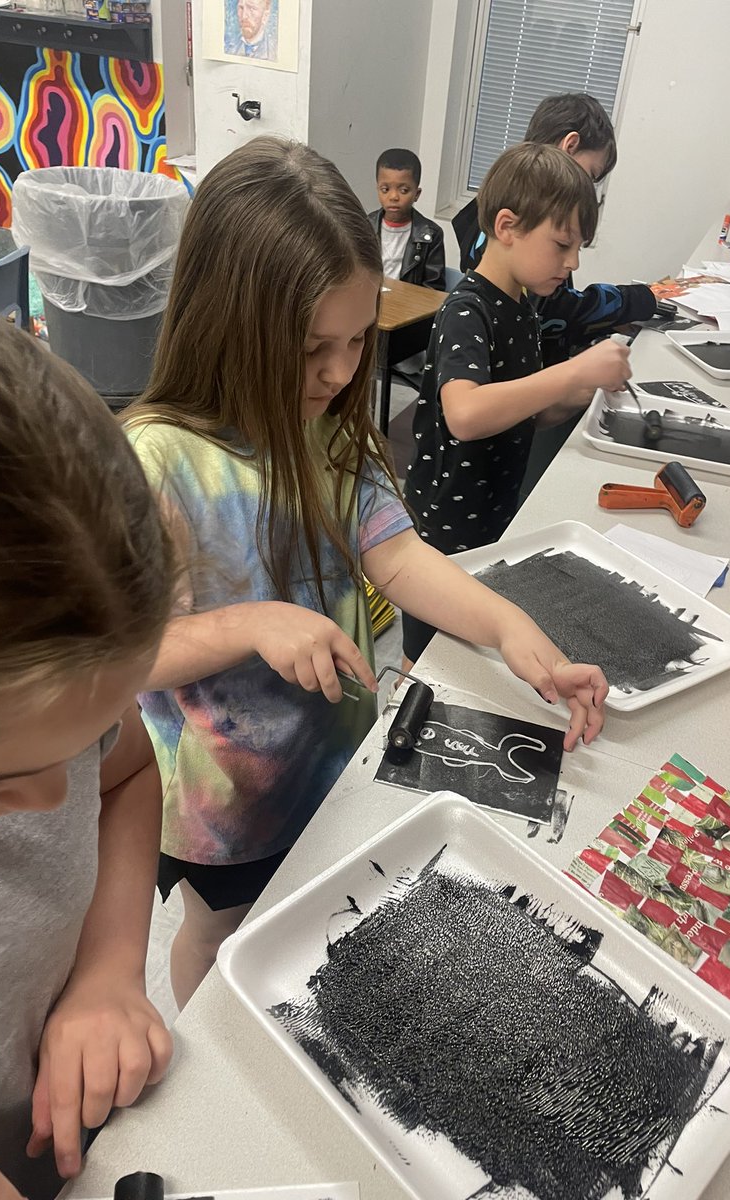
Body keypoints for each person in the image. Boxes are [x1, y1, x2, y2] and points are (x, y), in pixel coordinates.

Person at [124, 135, 610, 1010]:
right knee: (221, 937)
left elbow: (401, 556)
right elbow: (115, 657)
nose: (344, 371)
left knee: (305, 924)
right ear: (226, 319)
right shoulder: (157, 462)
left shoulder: (334, 431)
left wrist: (510, 631)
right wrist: (251, 622)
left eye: (356, 342)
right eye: (316, 347)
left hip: (335, 764)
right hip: (221, 809)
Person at [0, 308, 175, 1200]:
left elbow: (126, 772)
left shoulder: (42, 726)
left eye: (79, 742)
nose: (60, 797)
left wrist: (106, 972)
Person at [402, 141, 631, 664]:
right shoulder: (468, 310)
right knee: (429, 660)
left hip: (493, 517)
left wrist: (585, 388)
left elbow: (530, 411)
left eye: (579, 250)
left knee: (471, 651)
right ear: (507, 226)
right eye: (562, 245)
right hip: (444, 528)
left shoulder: (523, 304)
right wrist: (572, 370)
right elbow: (466, 414)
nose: (572, 262)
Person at [453, 93, 656, 364]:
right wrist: (635, 301)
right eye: (591, 176)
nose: (573, 262)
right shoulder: (465, 313)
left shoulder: (500, 204)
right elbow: (549, 310)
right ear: (570, 146)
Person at [367, 148, 446, 290]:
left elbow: (433, 289)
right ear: (377, 189)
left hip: (409, 308)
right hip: (370, 302)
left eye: (403, 190)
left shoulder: (431, 234)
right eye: (385, 189)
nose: (393, 197)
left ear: (417, 193)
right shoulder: (364, 226)